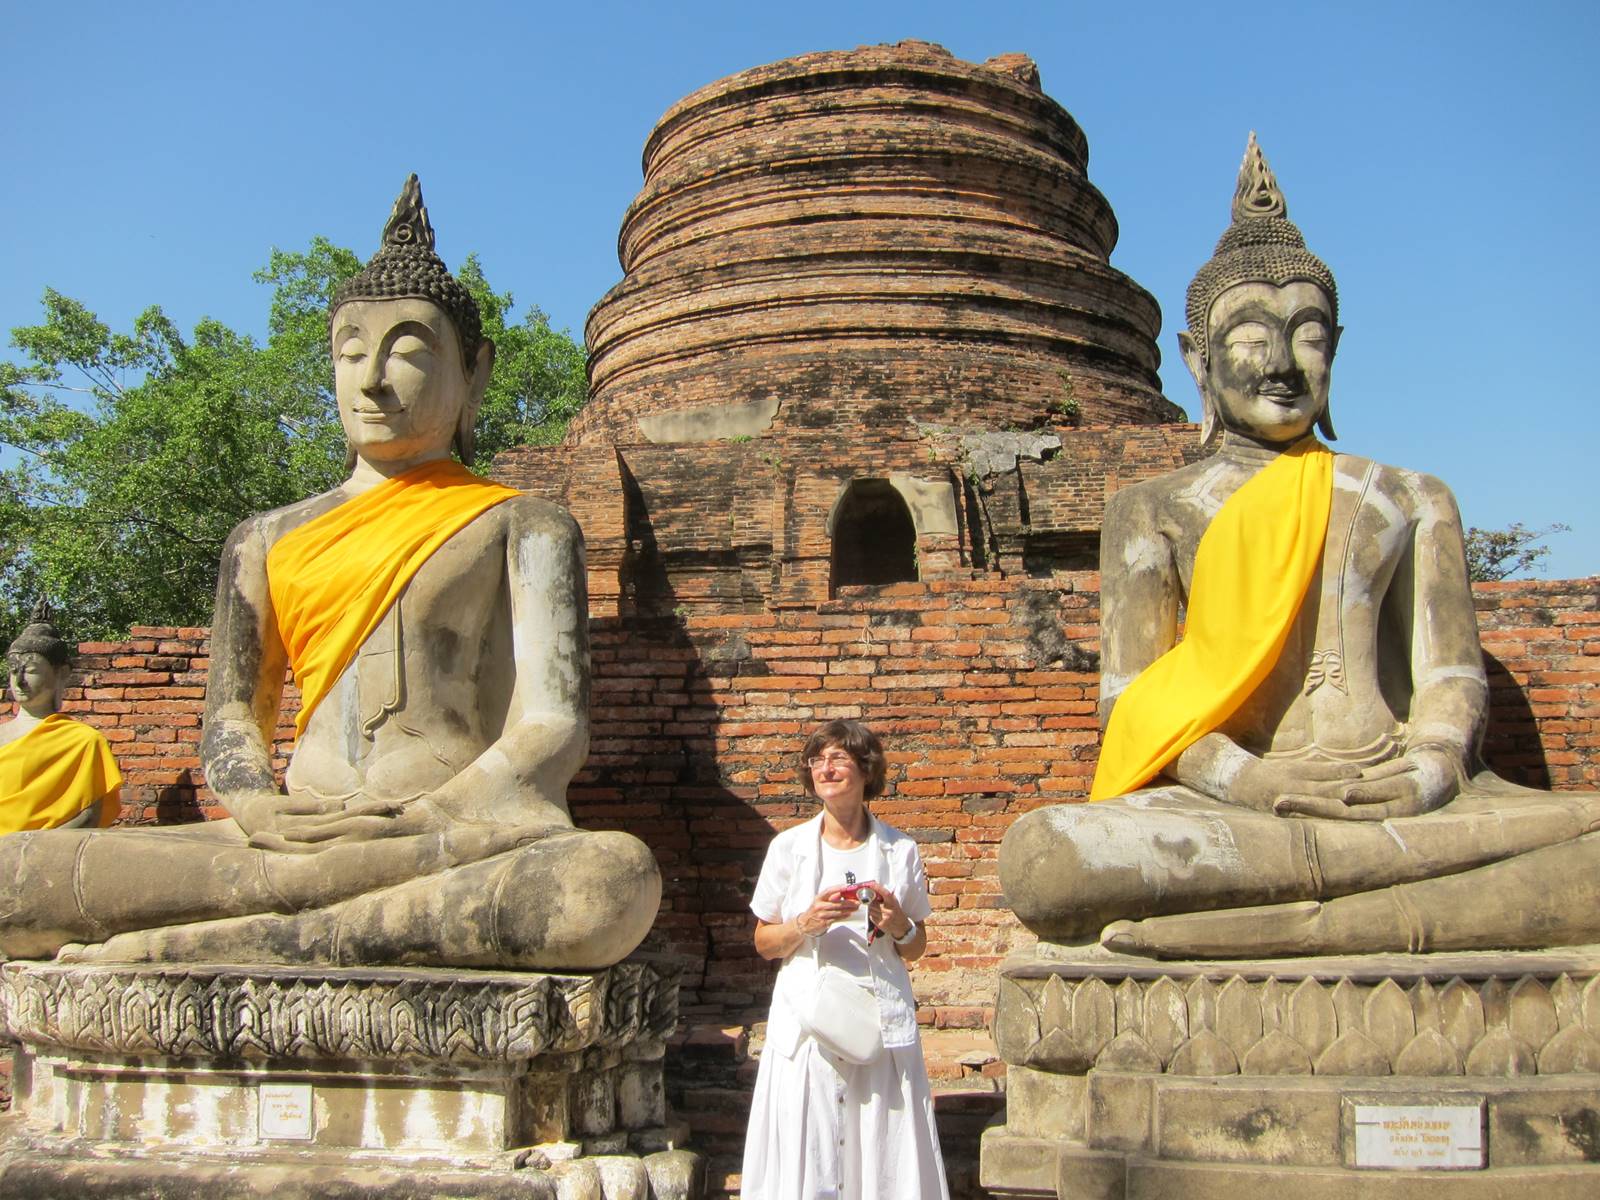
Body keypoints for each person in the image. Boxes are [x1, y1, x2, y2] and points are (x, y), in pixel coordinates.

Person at [0, 177, 659, 967]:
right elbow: (234, 720)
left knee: (602, 883)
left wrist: (424, 817)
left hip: (452, 832)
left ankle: (199, 942)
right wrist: (255, 806)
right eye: (352, 353)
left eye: (409, 350)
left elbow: (553, 727)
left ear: (475, 373)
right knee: (13, 877)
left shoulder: (523, 524)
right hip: (289, 837)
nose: (373, 378)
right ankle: (297, 926)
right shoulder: (265, 538)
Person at [998, 135, 1600, 959]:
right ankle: (1378, 920)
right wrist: (1256, 780)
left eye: (1308, 334)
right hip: (1230, 808)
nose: (1281, 363)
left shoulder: (1412, 497)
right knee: (1052, 860)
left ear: (1337, 347)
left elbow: (1452, 678)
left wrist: (1425, 772)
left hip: (1404, 805)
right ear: (1196, 360)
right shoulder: (1154, 509)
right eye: (1249, 335)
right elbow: (1130, 703)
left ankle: (1278, 927)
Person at [743, 718, 950, 1200]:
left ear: (865, 769)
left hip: (879, 1017)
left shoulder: (900, 850)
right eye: (817, 759)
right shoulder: (788, 848)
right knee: (810, 1139)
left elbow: (916, 946)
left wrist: (898, 922)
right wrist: (806, 922)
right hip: (808, 1023)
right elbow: (763, 942)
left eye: (838, 758)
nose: (825, 768)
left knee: (881, 1138)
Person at [0, 602, 121, 835]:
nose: (20, 681)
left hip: (41, 855)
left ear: (61, 673)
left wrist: (30, 848)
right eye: (14, 671)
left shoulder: (83, 742)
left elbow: (88, 817)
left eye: (32, 671)